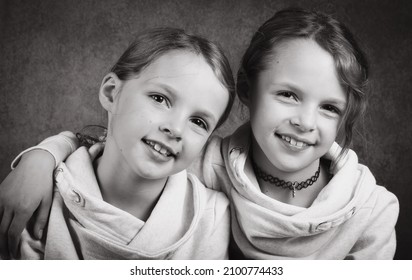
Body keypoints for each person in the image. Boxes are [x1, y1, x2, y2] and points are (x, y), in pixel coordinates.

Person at [0, 8, 399, 259]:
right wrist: (42, 156)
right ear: (247, 91)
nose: (306, 122)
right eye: (288, 95)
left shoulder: (370, 209)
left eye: (330, 107)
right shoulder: (207, 165)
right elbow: (110, 146)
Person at [0, 27, 236, 259]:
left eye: (198, 122)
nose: (175, 128)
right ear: (112, 92)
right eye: (159, 98)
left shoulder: (211, 217)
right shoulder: (35, 196)